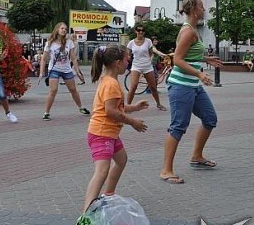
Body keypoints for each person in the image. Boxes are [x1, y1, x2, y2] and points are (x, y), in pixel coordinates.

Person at [160, 0, 223, 184]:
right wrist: (199, 74)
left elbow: (189, 54)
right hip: (181, 86)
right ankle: (166, 170)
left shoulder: (193, 30)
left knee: (210, 119)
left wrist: (206, 59)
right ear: (195, 10)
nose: (204, 9)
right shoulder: (188, 31)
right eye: (202, 6)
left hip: (193, 87)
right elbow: (177, 59)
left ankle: (196, 156)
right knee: (178, 125)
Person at [82, 44, 148, 211]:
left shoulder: (110, 81)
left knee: (121, 160)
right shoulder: (110, 84)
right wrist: (133, 122)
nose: (129, 63)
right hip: (102, 133)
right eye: (127, 59)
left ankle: (108, 195)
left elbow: (117, 107)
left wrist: (135, 107)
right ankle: (86, 212)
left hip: (109, 133)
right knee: (101, 172)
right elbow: (111, 112)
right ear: (118, 63)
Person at [39, 22, 90, 121]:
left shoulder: (69, 42)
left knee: (73, 90)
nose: (64, 30)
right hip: (54, 69)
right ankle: (46, 112)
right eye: (62, 28)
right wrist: (41, 72)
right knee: (53, 90)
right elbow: (44, 59)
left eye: (65, 29)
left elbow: (73, 58)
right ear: (57, 29)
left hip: (66, 69)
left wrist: (78, 71)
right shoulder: (50, 43)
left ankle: (81, 107)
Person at [126, 26, 167, 110]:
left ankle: (158, 104)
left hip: (147, 66)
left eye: (142, 30)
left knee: (153, 87)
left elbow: (151, 53)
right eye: (138, 30)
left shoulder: (148, 41)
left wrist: (151, 60)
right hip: (136, 66)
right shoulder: (131, 43)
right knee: (133, 86)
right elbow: (128, 55)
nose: (140, 32)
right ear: (135, 31)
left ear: (144, 32)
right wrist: (128, 58)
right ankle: (127, 107)